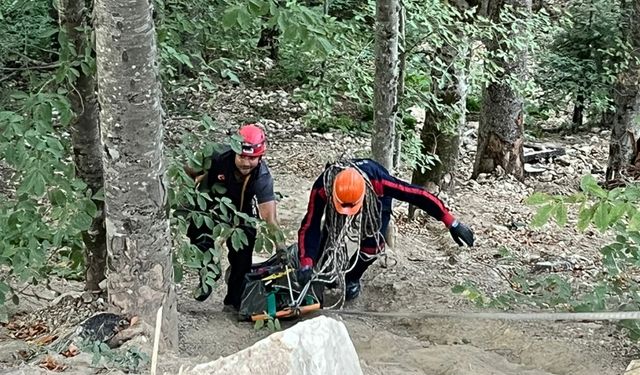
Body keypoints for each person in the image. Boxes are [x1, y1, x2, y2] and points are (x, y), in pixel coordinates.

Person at [297, 159, 475, 301]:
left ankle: (352, 279)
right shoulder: (323, 186)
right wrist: (306, 262)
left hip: (377, 198)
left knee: (372, 245)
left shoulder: (379, 181)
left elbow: (418, 195)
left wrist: (452, 222)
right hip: (336, 202)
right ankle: (323, 272)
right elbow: (310, 225)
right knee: (329, 236)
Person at [185, 124, 279, 310]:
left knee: (243, 255)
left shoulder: (262, 177)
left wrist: (280, 246)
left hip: (241, 211)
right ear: (234, 151)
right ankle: (208, 273)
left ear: (260, 157)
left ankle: (235, 299)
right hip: (208, 205)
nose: (246, 163)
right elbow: (188, 170)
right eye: (242, 156)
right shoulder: (216, 156)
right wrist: (189, 192)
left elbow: (270, 217)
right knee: (198, 235)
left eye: (252, 158)